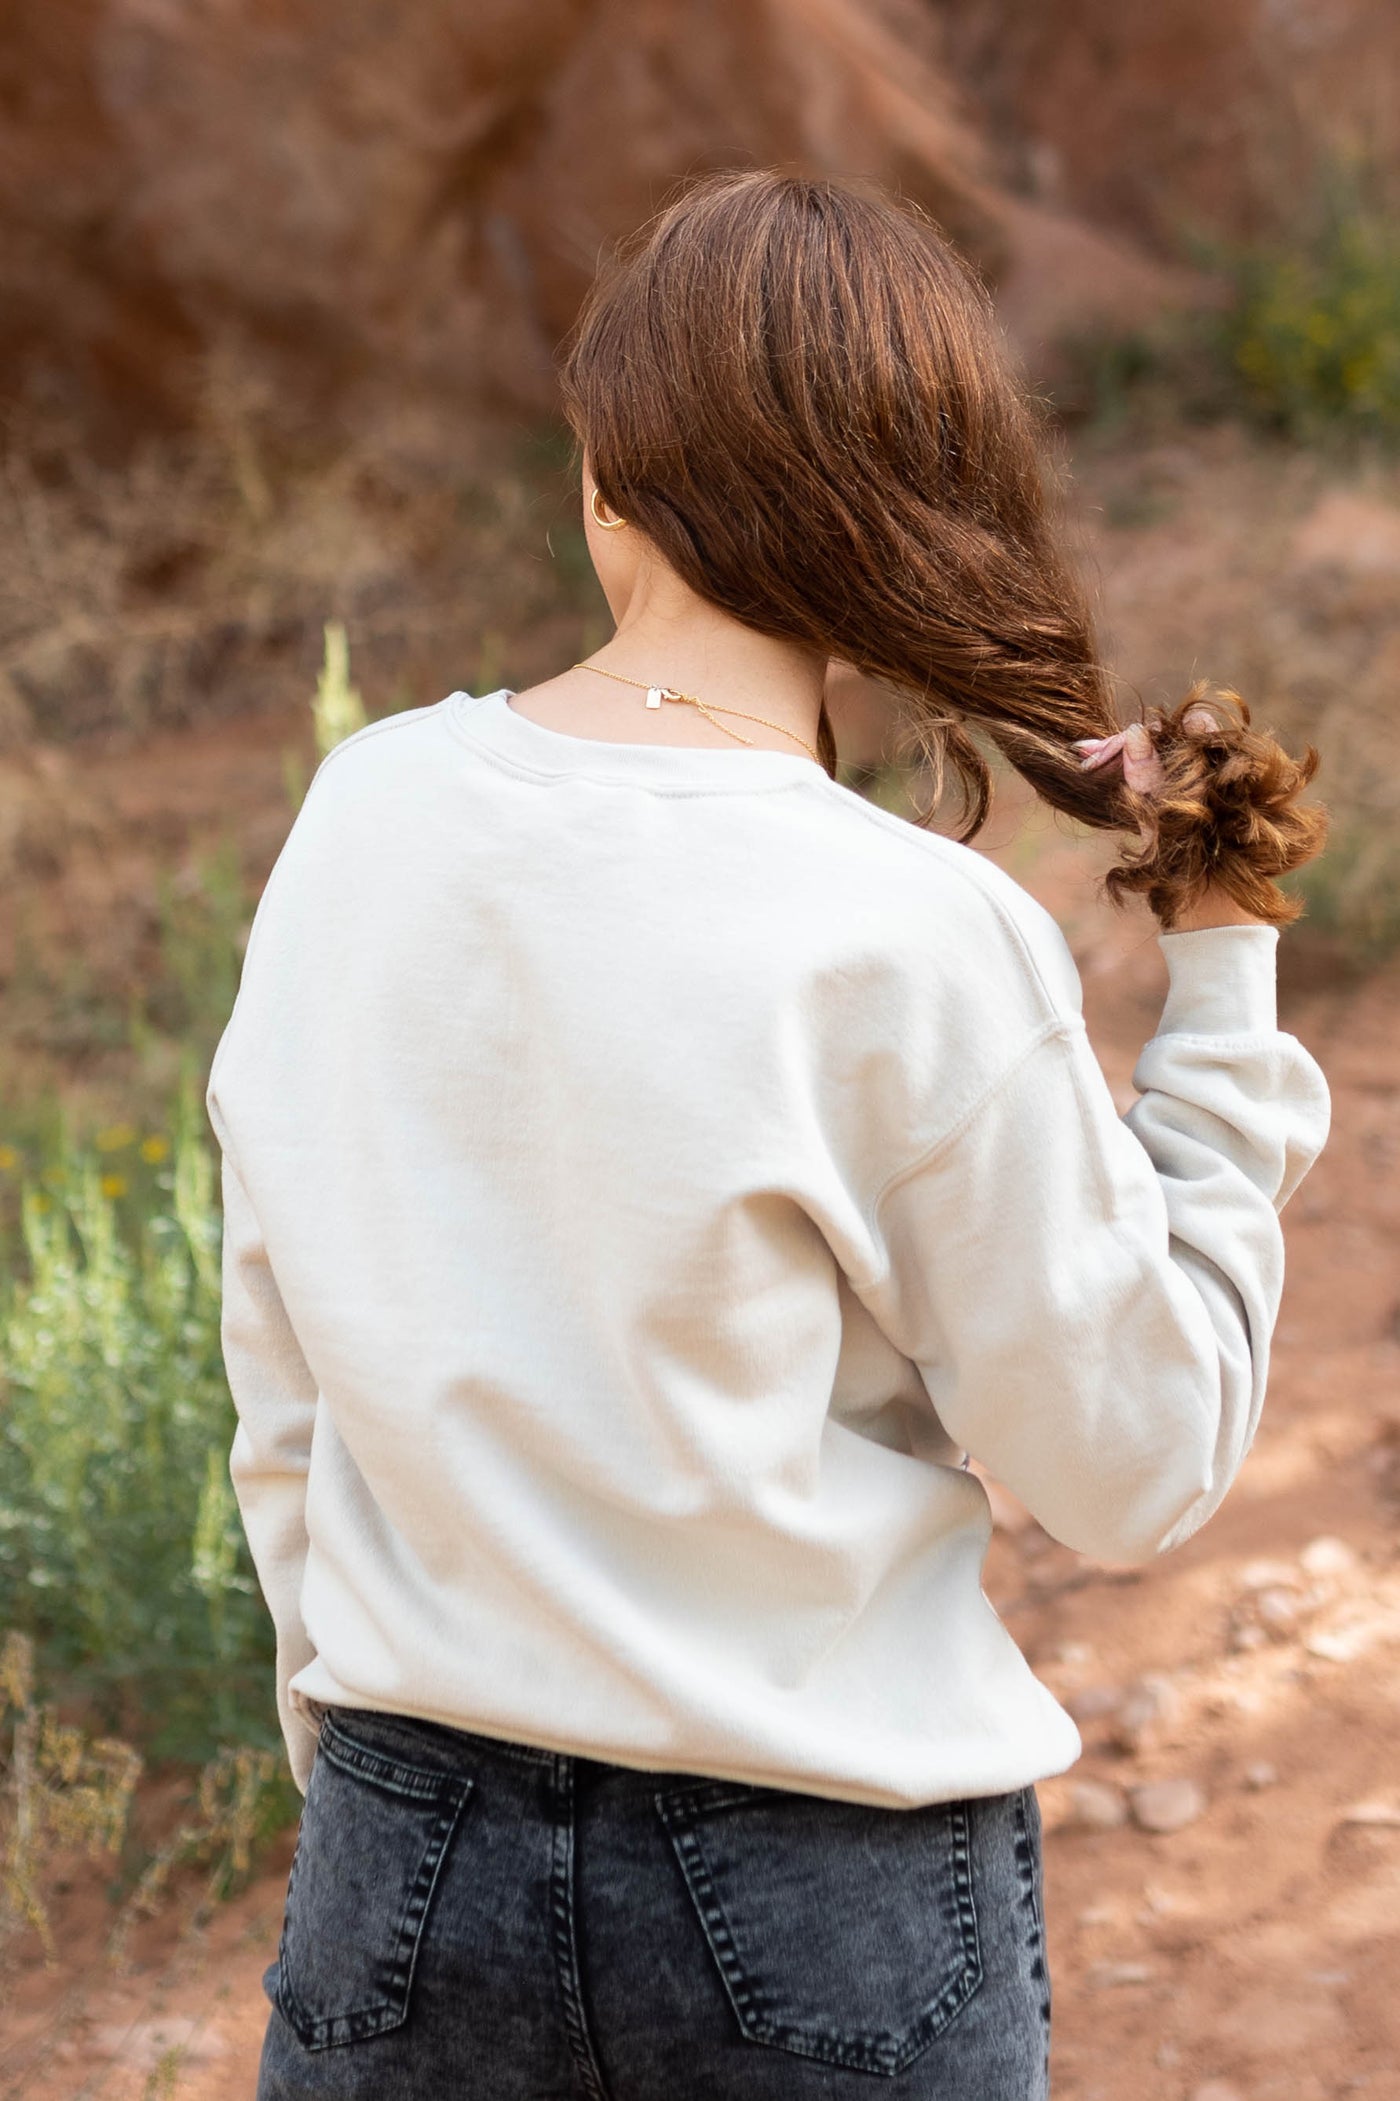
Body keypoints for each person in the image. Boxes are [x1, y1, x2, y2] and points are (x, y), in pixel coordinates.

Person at [206, 170, 1331, 2100]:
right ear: (910, 515)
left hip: (405, 1854)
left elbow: (283, 1369)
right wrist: (1219, 981)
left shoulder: (362, 814)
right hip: (823, 1888)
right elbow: (1136, 1460)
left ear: (601, 476)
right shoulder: (908, 925)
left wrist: (382, 1781)